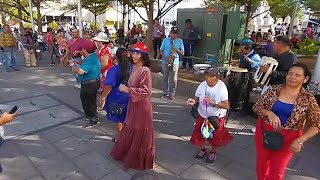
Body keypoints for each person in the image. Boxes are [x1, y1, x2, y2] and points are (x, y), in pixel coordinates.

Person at [252, 63, 320, 180]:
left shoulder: (308, 99)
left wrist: (300, 140)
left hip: (290, 137)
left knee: (277, 170)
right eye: (290, 74)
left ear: (306, 79)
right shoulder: (273, 90)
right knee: (262, 164)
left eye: (297, 75)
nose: (292, 77)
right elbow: (257, 107)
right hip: (265, 131)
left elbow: (316, 124)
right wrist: (269, 113)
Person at [110, 42, 154, 170]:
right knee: (130, 127)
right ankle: (129, 154)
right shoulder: (134, 68)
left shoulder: (145, 70)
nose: (134, 55)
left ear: (143, 56)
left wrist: (128, 90)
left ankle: (139, 159)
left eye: (138, 53)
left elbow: (147, 92)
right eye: (133, 52)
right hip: (133, 104)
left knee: (139, 130)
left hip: (142, 107)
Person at [187, 67, 232, 165]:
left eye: (212, 76)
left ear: (217, 77)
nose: (209, 79)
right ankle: (202, 150)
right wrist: (193, 102)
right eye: (207, 76)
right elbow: (197, 97)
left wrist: (214, 103)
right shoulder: (202, 85)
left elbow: (226, 105)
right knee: (199, 133)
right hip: (202, 114)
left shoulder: (222, 87)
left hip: (216, 117)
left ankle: (213, 152)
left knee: (216, 136)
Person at [99, 48, 131, 142]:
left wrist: (103, 96)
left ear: (116, 57)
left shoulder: (114, 70)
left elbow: (109, 85)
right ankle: (128, 138)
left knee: (119, 120)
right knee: (128, 119)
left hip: (117, 99)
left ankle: (121, 139)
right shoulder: (133, 68)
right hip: (131, 97)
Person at [71, 40, 101, 128]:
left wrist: (73, 66)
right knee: (88, 100)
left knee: (89, 102)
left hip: (90, 85)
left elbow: (80, 71)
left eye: (82, 49)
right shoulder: (92, 57)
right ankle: (91, 117)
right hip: (91, 83)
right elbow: (85, 64)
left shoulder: (91, 59)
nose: (81, 50)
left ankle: (93, 119)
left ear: (85, 49)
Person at [160, 27, 184, 101]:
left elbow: (183, 53)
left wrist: (176, 50)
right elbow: (161, 50)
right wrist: (165, 58)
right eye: (172, 33)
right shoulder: (165, 40)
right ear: (170, 33)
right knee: (165, 77)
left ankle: (172, 93)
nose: (174, 35)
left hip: (175, 62)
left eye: (175, 33)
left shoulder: (180, 41)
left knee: (174, 79)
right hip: (165, 61)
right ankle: (165, 92)